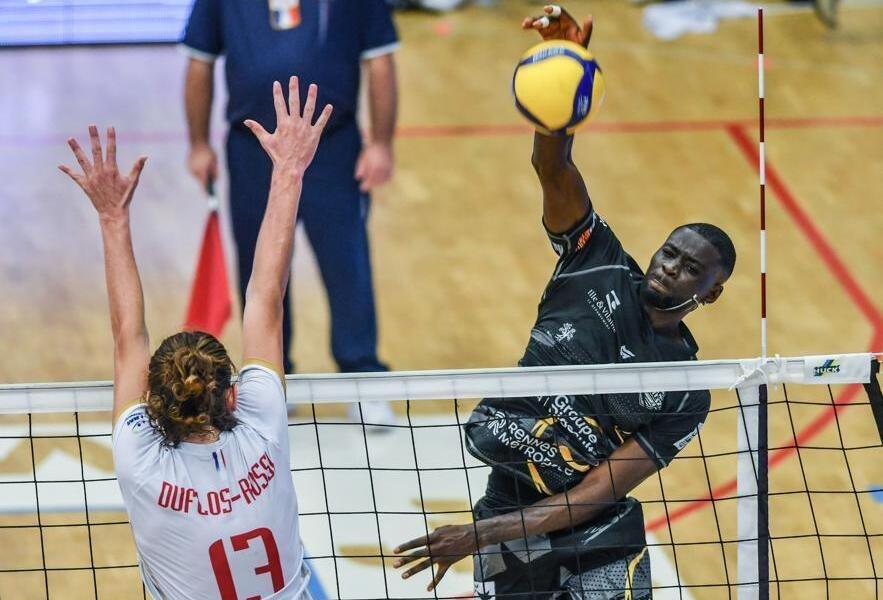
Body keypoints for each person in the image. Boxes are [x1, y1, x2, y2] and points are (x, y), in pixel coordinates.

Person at [391, 6, 737, 599]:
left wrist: (474, 537)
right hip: (511, 503)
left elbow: (594, 494)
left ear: (711, 291)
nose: (670, 267)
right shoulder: (595, 259)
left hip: (596, 529)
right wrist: (562, 90)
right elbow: (552, 167)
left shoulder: (685, 388)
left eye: (690, 269)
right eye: (669, 253)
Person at [60, 77, 332, 599]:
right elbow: (266, 299)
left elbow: (127, 339)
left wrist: (112, 218)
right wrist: (289, 172)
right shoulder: (263, 432)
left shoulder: (141, 463)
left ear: (153, 403)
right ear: (232, 395)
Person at [182, 0, 398, 424]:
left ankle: (363, 380)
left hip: (333, 148)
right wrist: (198, 143)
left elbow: (381, 60)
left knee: (347, 263)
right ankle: (273, 381)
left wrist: (381, 144)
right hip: (252, 151)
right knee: (260, 267)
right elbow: (199, 62)